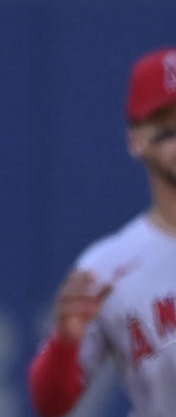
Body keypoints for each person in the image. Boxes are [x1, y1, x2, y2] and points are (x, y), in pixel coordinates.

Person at [28, 47, 176, 417]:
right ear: (135, 139)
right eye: (166, 128)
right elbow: (51, 403)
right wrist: (66, 344)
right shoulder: (108, 266)